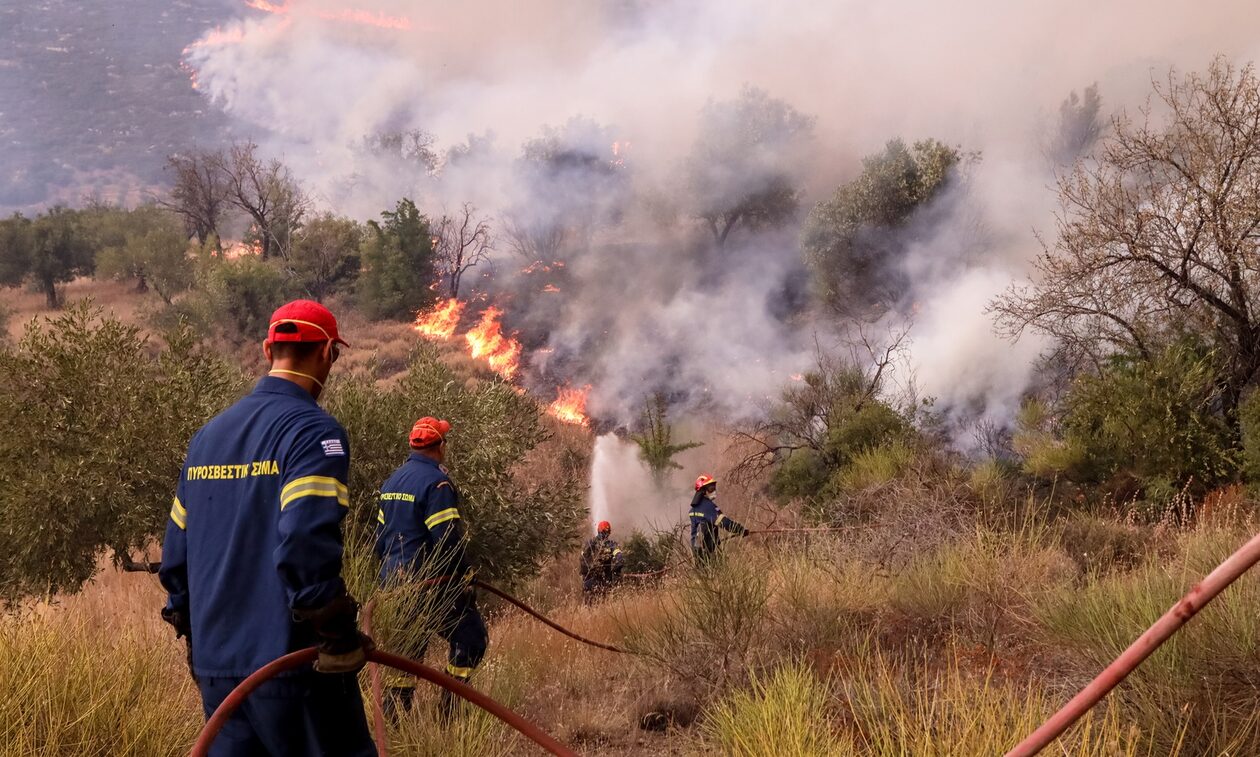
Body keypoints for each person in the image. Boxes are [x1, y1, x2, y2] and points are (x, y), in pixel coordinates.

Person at [158, 299, 375, 756]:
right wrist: (336, 631)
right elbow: (303, 543)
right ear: (328, 353)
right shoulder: (315, 432)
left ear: (266, 350)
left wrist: (197, 633)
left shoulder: (208, 437)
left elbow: (175, 554)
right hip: (293, 669)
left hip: (219, 673)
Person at [374, 416, 488, 716]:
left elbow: (379, 541)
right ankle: (451, 709)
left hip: (393, 585)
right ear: (440, 446)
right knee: (471, 638)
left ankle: (395, 722)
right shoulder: (437, 484)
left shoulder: (392, 482)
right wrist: (464, 576)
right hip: (430, 585)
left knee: (404, 656)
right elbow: (446, 539)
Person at [688, 474, 749, 565]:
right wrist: (740, 530)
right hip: (708, 551)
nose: (714, 491)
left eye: (714, 487)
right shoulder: (708, 507)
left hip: (697, 551)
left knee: (703, 576)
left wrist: (714, 540)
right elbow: (724, 522)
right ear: (703, 491)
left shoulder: (693, 510)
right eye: (711, 488)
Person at [579, 520, 624, 601]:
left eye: (607, 532)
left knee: (602, 602)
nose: (606, 534)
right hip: (592, 579)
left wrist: (616, 567)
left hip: (604, 580)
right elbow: (583, 558)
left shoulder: (611, 544)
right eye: (604, 532)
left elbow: (619, 556)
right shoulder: (591, 543)